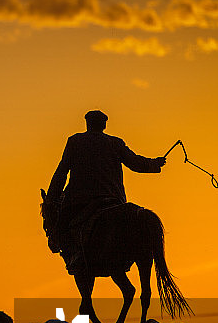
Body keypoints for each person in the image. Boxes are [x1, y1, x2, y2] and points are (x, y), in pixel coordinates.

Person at [45, 110, 165, 270]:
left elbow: (61, 172)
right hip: (114, 199)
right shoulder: (116, 143)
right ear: (104, 125)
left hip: (81, 200)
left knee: (61, 228)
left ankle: (75, 256)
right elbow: (134, 162)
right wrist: (154, 164)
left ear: (87, 123)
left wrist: (52, 197)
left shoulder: (75, 141)